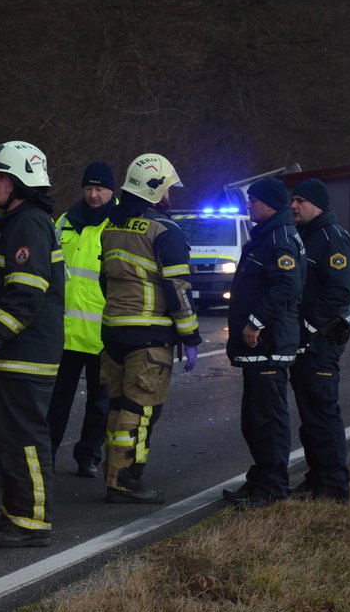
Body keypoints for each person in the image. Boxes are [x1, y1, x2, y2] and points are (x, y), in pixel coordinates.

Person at [0, 140, 64, 548]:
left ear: (21, 181)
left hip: (26, 353)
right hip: (18, 354)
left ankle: (32, 522)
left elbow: (27, 291)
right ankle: (16, 511)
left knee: (23, 438)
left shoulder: (29, 223)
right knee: (6, 438)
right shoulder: (13, 222)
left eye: (0, 176)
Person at [98, 153, 201, 504]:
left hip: (113, 332)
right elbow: (178, 290)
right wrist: (190, 337)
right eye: (169, 187)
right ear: (156, 189)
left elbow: (104, 280)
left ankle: (112, 472)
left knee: (117, 407)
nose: (171, 193)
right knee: (140, 411)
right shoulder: (165, 231)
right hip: (149, 336)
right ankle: (125, 481)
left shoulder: (112, 226)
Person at [222, 177, 306, 510]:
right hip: (258, 349)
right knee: (254, 419)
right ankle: (260, 479)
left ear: (269, 204)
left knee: (268, 420)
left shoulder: (280, 238)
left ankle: (272, 488)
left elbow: (286, 287)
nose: (248, 205)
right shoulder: (268, 235)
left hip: (268, 344)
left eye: (252, 201)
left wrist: (256, 322)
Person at [45, 162, 116, 478]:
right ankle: (47, 453)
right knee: (57, 402)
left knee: (100, 405)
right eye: (89, 187)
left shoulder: (117, 225)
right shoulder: (64, 222)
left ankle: (88, 456)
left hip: (103, 332)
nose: (94, 194)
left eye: (100, 188)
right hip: (66, 332)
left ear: (112, 190)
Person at [288, 179, 350, 503]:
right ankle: (317, 478)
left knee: (323, 413)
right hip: (306, 342)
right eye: (292, 200)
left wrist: (308, 326)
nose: (294, 206)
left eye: (300, 200)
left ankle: (334, 487)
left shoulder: (331, 237)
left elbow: (339, 291)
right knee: (311, 413)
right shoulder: (307, 236)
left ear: (319, 204)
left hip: (322, 341)